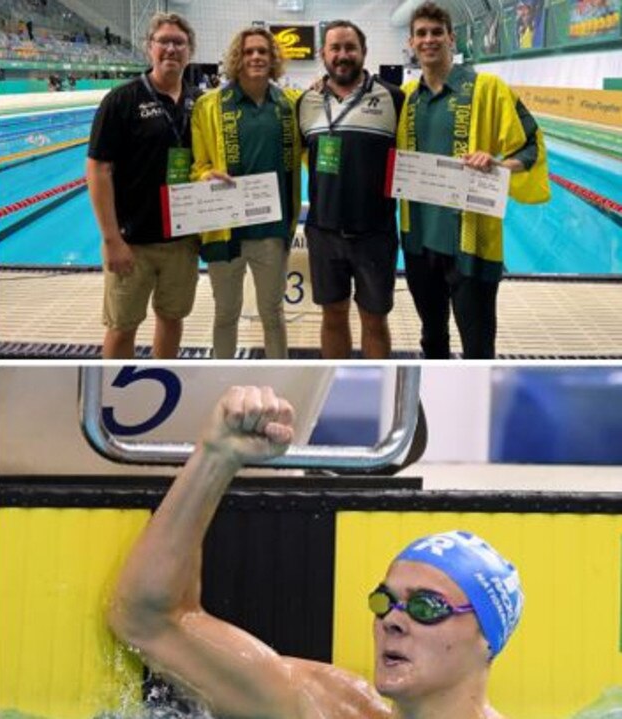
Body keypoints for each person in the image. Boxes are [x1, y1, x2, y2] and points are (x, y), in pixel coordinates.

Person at [109, 385, 525, 719]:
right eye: (385, 602)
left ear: (487, 640)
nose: (392, 621)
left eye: (427, 608)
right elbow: (148, 622)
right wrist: (216, 457)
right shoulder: (326, 708)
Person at [399, 2, 549, 359]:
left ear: (452, 38)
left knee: (478, 346)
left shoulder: (488, 88)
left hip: (473, 243)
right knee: (431, 340)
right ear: (411, 43)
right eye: (422, 33)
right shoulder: (404, 98)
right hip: (419, 242)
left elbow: (530, 143)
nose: (429, 39)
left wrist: (499, 165)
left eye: (437, 32)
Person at [87, 12, 201, 359]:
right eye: (163, 41)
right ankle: (111, 400)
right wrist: (111, 240)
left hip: (182, 240)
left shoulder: (200, 102)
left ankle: (159, 384)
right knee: (122, 327)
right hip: (132, 242)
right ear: (149, 47)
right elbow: (98, 170)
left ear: (190, 50)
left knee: (172, 318)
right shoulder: (122, 100)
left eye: (178, 42)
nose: (171, 48)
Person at [192, 28, 302, 359]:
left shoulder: (290, 105)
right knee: (225, 314)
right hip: (225, 231)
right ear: (238, 58)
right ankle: (222, 375)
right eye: (250, 51)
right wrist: (204, 175)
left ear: (273, 60)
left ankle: (279, 377)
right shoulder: (209, 105)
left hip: (271, 231)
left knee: (273, 314)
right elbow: (197, 166)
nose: (256, 57)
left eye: (263, 52)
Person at [296, 21, 404, 358]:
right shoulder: (306, 101)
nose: (343, 55)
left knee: (374, 320)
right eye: (335, 48)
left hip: (375, 233)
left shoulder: (394, 98)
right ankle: (337, 387)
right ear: (322, 54)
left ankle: (379, 391)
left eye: (350, 48)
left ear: (363, 52)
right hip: (324, 231)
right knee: (333, 316)